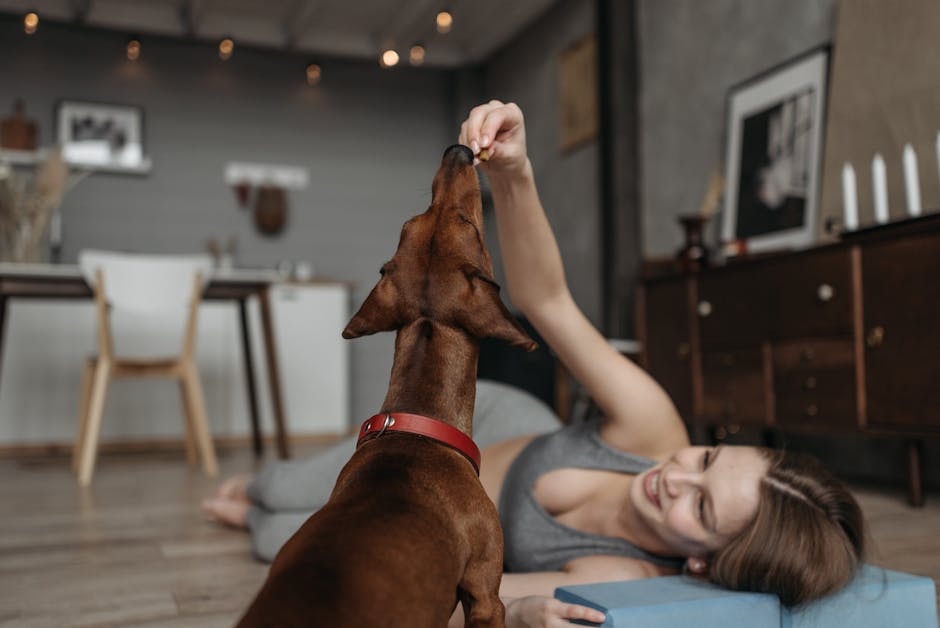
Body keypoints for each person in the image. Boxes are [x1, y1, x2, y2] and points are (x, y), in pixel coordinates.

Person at [205, 100, 866, 627]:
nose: (676, 478)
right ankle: (257, 485)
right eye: (706, 460)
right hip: (485, 419)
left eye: (701, 509)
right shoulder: (652, 426)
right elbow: (546, 300)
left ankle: (247, 508)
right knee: (284, 491)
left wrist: (518, 614)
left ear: (703, 563)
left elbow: (467, 590)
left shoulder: (623, 574)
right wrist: (513, 172)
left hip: (443, 516)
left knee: (275, 538)